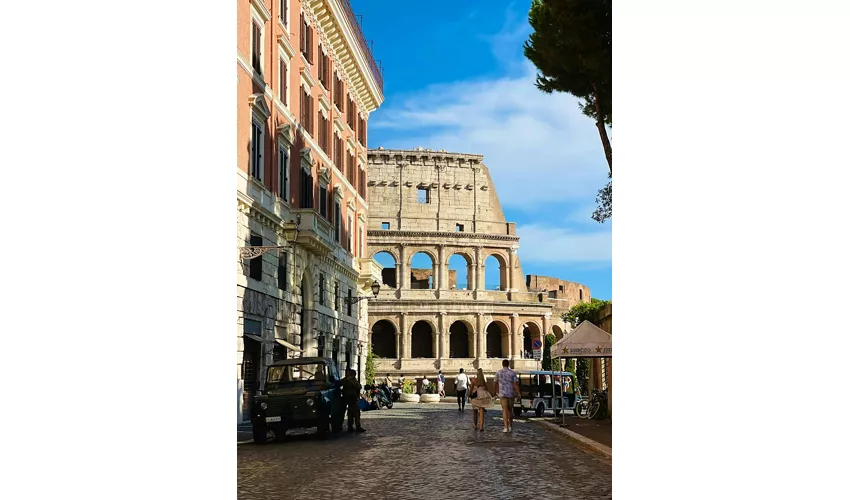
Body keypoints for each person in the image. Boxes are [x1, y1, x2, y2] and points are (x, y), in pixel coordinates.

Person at [495, 359, 521, 433]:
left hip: (502, 393)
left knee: (504, 410)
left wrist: (495, 392)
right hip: (510, 393)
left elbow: (495, 382)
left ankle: (505, 427)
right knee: (510, 411)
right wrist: (519, 393)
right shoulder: (512, 373)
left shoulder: (498, 372)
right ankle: (510, 426)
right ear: (508, 364)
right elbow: (515, 384)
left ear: (502, 364)